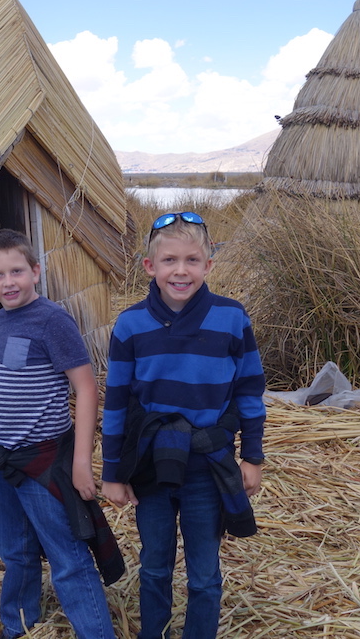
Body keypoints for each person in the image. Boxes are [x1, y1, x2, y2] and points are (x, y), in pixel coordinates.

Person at [101, 211, 266, 639]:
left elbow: (249, 390)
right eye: (170, 260)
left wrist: (252, 455)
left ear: (209, 264)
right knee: (155, 564)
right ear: (150, 266)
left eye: (192, 260)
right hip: (151, 465)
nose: (181, 270)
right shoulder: (131, 324)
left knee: (204, 572)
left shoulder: (232, 318)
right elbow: (117, 402)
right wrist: (113, 473)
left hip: (206, 467)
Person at [0, 228, 120, 639]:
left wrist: (81, 462)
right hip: (0, 460)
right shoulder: (2, 320)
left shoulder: (52, 320)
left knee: (68, 558)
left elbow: (86, 386)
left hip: (41, 461)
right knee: (15, 553)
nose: (9, 282)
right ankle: (19, 627)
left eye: (18, 271)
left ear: (36, 272)